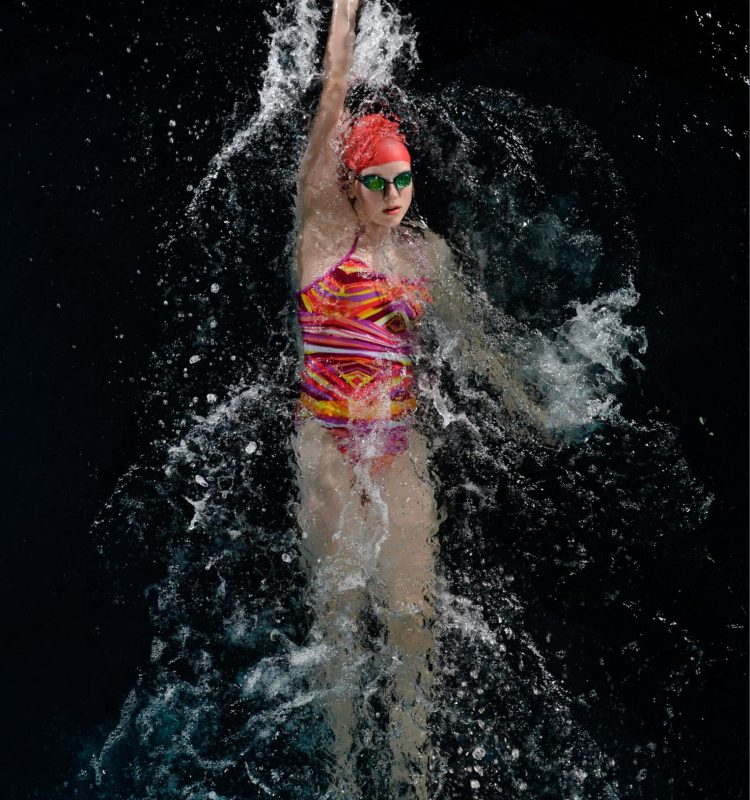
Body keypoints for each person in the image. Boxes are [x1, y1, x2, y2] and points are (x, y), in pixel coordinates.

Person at [292, 2, 546, 797]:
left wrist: (531, 408)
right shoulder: (321, 238)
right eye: (378, 180)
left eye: (404, 177)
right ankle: (342, 776)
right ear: (349, 186)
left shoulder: (422, 254)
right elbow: (331, 105)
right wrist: (342, 18)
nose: (395, 192)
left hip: (399, 450)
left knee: (413, 623)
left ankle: (413, 777)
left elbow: (475, 341)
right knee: (339, 632)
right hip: (328, 449)